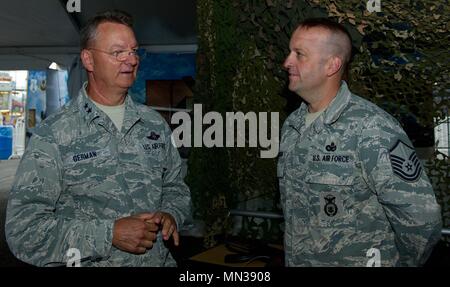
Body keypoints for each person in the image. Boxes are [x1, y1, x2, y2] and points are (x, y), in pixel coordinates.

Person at [5, 10, 191, 267]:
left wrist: (171, 214)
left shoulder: (154, 125)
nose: (131, 60)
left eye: (134, 51)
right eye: (118, 53)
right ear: (88, 60)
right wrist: (108, 234)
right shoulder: (55, 135)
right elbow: (23, 233)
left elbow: (176, 187)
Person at [278, 18, 442, 266]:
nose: (287, 62)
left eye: (299, 54)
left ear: (332, 65)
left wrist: (399, 262)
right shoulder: (292, 126)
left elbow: (421, 217)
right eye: (290, 52)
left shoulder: (372, 128)